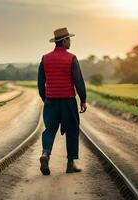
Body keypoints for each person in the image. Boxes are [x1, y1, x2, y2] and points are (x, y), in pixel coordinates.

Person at [37, 27, 87, 176]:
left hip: (51, 101)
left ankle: (45, 155)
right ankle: (70, 164)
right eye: (69, 39)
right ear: (64, 41)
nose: (70, 42)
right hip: (68, 102)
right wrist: (83, 99)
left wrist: (45, 98)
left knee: (50, 129)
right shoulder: (71, 58)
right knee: (72, 130)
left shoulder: (45, 58)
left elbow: (40, 83)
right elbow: (78, 80)